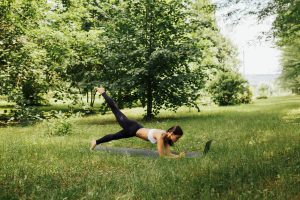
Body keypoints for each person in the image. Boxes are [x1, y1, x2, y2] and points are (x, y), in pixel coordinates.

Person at [90, 87, 185, 158]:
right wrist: (177, 158)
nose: (177, 139)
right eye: (177, 137)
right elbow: (162, 156)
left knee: (114, 136)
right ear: (171, 133)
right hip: (131, 127)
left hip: (134, 130)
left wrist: (178, 156)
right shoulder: (161, 136)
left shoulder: (166, 139)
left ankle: (96, 142)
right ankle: (103, 92)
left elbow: (168, 154)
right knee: (115, 109)